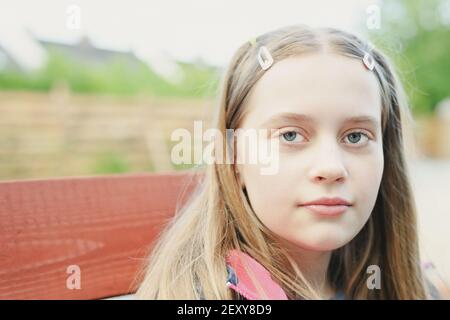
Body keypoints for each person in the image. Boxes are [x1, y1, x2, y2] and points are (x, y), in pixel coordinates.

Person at [135, 24, 440, 299]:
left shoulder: (399, 285)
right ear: (234, 158)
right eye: (291, 135)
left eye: (356, 137)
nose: (331, 168)